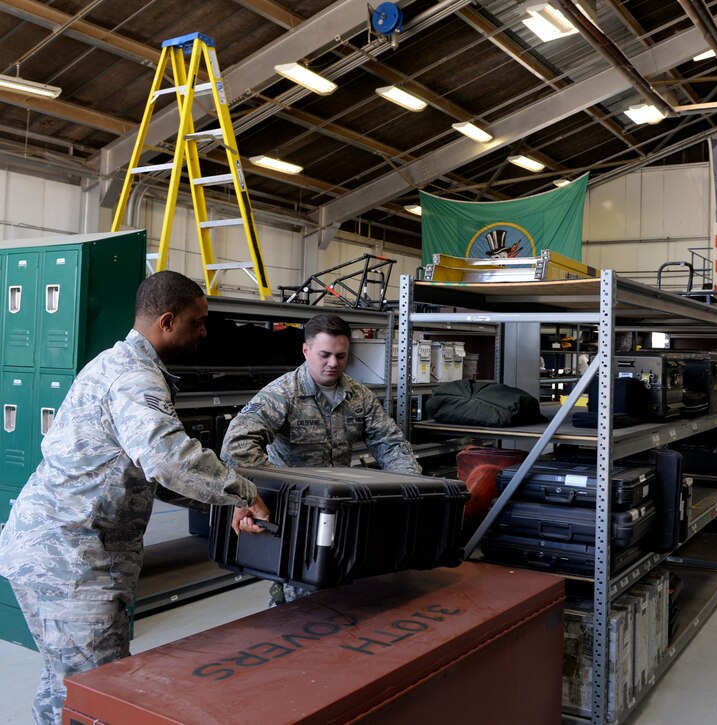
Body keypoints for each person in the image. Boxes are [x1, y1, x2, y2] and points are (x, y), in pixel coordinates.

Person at [0, 271, 271, 725]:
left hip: (56, 553)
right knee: (101, 694)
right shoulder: (133, 378)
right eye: (197, 322)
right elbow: (169, 459)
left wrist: (224, 503)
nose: (204, 333)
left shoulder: (121, 364)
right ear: (167, 321)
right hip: (70, 563)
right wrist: (244, 492)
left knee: (66, 684)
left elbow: (152, 475)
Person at [220, 312, 420, 603]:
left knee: (346, 583)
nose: (333, 363)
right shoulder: (282, 394)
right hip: (296, 511)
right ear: (306, 350)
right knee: (301, 592)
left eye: (341, 356)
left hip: (343, 505)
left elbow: (389, 443)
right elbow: (237, 445)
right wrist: (261, 492)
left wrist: (413, 491)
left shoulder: (358, 396)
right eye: (325, 355)